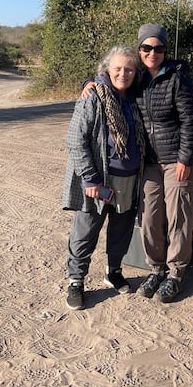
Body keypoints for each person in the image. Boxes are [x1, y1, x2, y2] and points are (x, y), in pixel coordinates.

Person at [82, 23, 193, 303]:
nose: (152, 53)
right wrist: (89, 82)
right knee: (149, 217)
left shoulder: (177, 78)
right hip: (148, 161)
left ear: (164, 50)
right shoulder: (137, 78)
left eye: (158, 48)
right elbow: (112, 76)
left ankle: (176, 274)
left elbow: (190, 121)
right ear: (139, 50)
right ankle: (156, 269)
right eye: (146, 48)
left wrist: (185, 157)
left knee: (178, 217)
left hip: (176, 160)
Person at [62, 44, 146, 311]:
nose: (123, 73)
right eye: (118, 68)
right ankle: (76, 281)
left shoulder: (135, 98)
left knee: (121, 229)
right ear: (107, 69)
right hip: (98, 179)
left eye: (129, 69)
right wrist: (89, 179)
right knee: (85, 230)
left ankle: (113, 271)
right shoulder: (93, 97)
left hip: (129, 177)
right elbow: (76, 140)